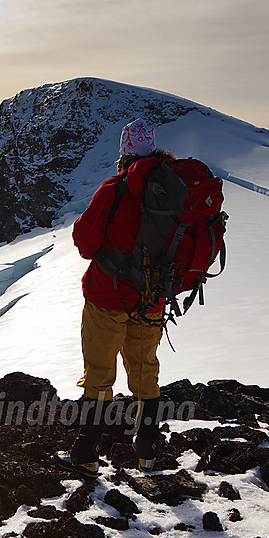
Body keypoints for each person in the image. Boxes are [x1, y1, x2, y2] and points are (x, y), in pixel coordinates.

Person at [61, 119, 172, 476]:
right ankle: (147, 453)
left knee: (99, 374)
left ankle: (86, 454)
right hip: (151, 299)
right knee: (145, 373)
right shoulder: (174, 191)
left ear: (124, 151)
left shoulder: (115, 188)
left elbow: (84, 242)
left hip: (107, 296)